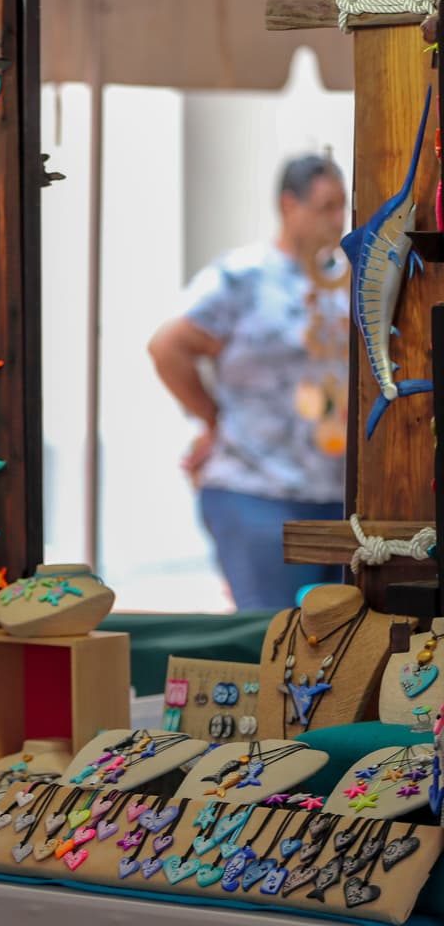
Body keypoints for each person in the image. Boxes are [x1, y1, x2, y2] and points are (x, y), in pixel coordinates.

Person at [148, 154, 349, 611]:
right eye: (325, 207)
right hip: (258, 489)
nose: (338, 220)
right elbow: (167, 347)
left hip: (336, 492)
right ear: (288, 206)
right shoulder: (243, 276)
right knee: (272, 634)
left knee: (342, 640)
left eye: (343, 206)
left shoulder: (344, 279)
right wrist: (212, 419)